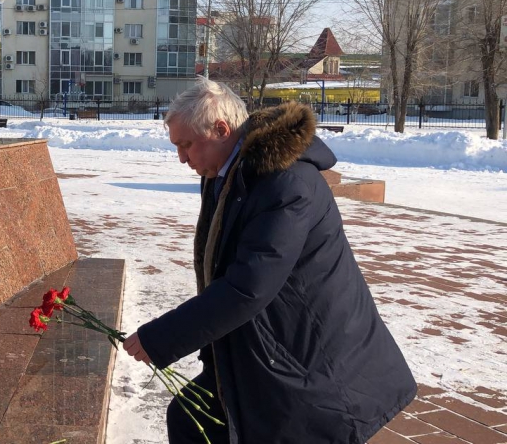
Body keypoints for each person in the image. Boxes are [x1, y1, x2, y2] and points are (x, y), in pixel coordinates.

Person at [122, 79, 416, 444]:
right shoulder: (228, 173)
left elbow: (249, 285)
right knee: (190, 418)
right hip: (268, 344)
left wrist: (161, 337)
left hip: (312, 360)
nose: (182, 157)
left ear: (221, 130)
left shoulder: (286, 182)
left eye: (186, 145)